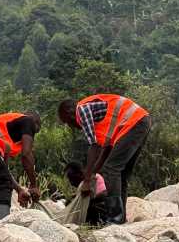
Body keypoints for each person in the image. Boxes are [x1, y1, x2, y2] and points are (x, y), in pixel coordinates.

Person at [58, 94, 151, 225]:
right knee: (121, 173)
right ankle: (120, 217)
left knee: (111, 169)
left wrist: (87, 180)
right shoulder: (98, 119)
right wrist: (94, 173)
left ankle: (114, 217)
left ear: (69, 113)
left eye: (67, 122)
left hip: (134, 122)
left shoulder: (82, 110)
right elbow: (105, 149)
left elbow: (94, 147)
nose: (70, 126)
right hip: (140, 121)